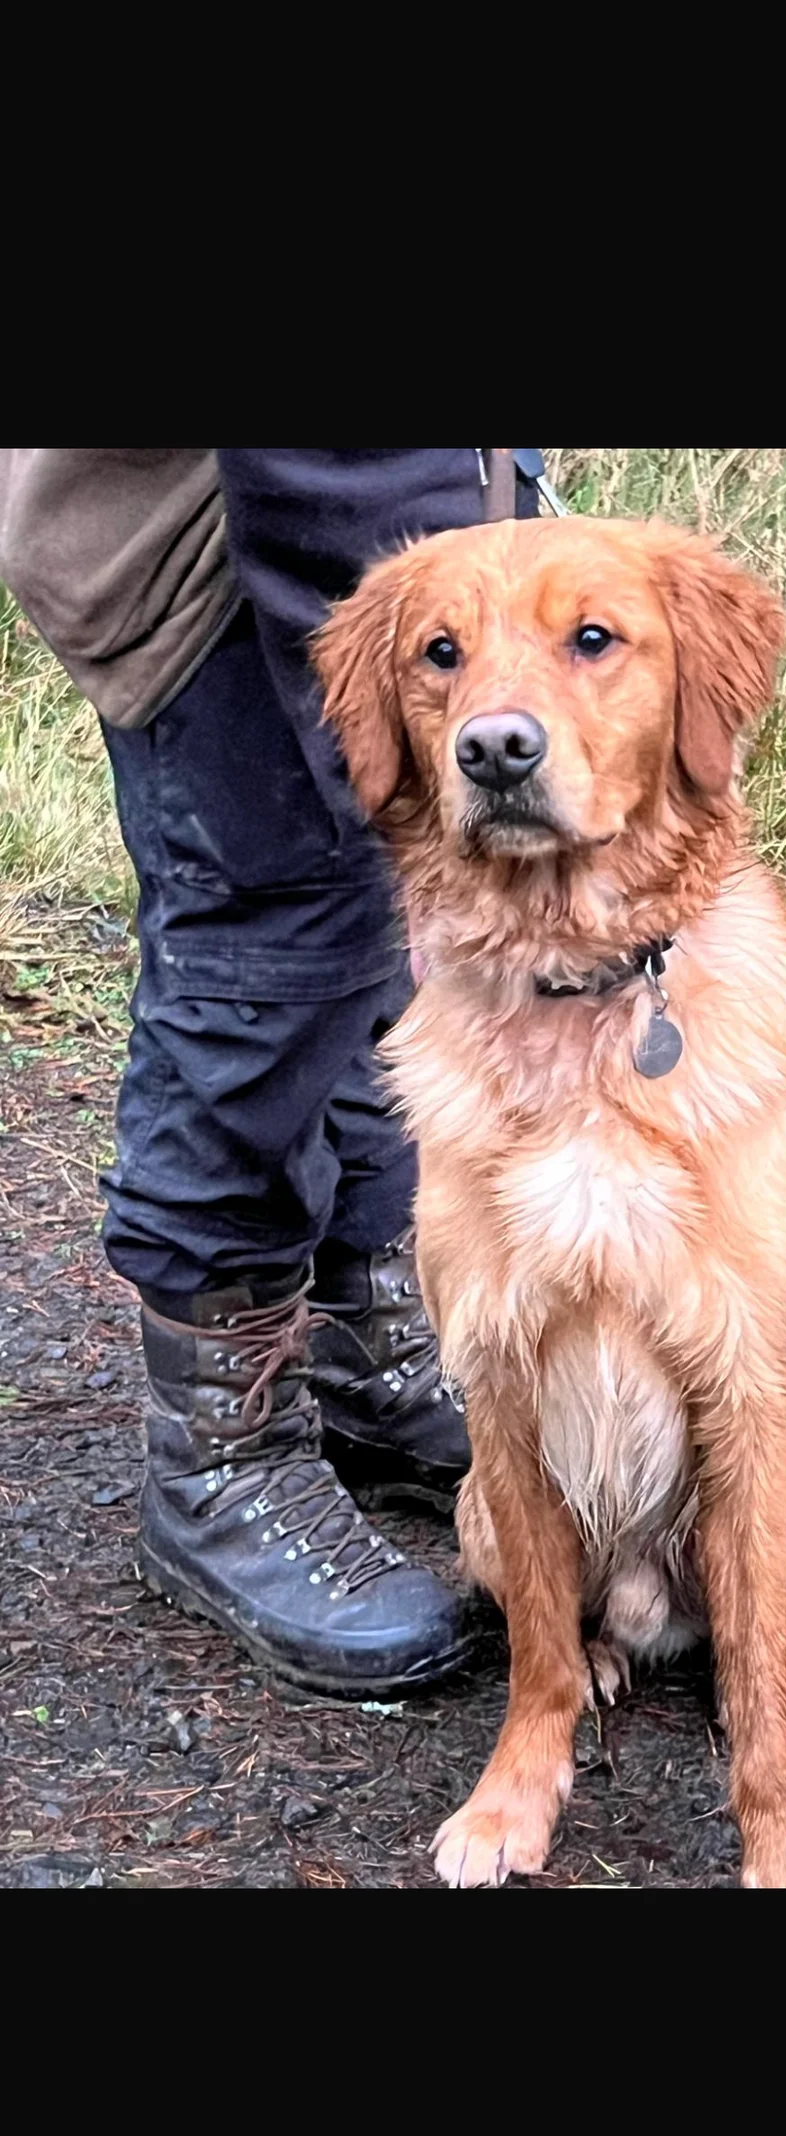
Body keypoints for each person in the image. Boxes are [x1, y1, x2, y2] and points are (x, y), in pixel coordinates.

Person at [0, 447, 545, 1694]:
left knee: (366, 949)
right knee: (262, 969)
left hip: (362, 541)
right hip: (238, 561)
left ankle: (365, 1344)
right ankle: (216, 1461)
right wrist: (386, 721)